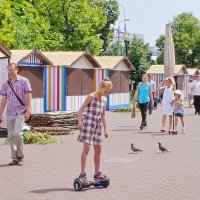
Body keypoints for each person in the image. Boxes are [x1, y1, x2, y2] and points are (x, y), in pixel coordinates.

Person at [77, 77, 112, 184]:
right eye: (105, 91)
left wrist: (105, 129)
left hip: (97, 126)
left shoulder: (104, 100)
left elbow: (103, 116)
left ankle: (97, 174)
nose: (106, 93)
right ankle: (82, 174)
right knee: (86, 149)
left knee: (98, 150)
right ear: (100, 87)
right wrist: (79, 122)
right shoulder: (91, 96)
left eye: (108, 92)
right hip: (88, 124)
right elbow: (81, 109)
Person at [0, 63, 32, 166]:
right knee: (10, 137)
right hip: (10, 113)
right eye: (8, 70)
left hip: (20, 111)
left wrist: (28, 111)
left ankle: (20, 156)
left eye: (12, 70)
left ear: (17, 69)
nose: (10, 72)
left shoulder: (24, 81)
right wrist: (0, 114)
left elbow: (28, 96)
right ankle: (15, 158)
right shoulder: (6, 84)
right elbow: (4, 100)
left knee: (17, 133)